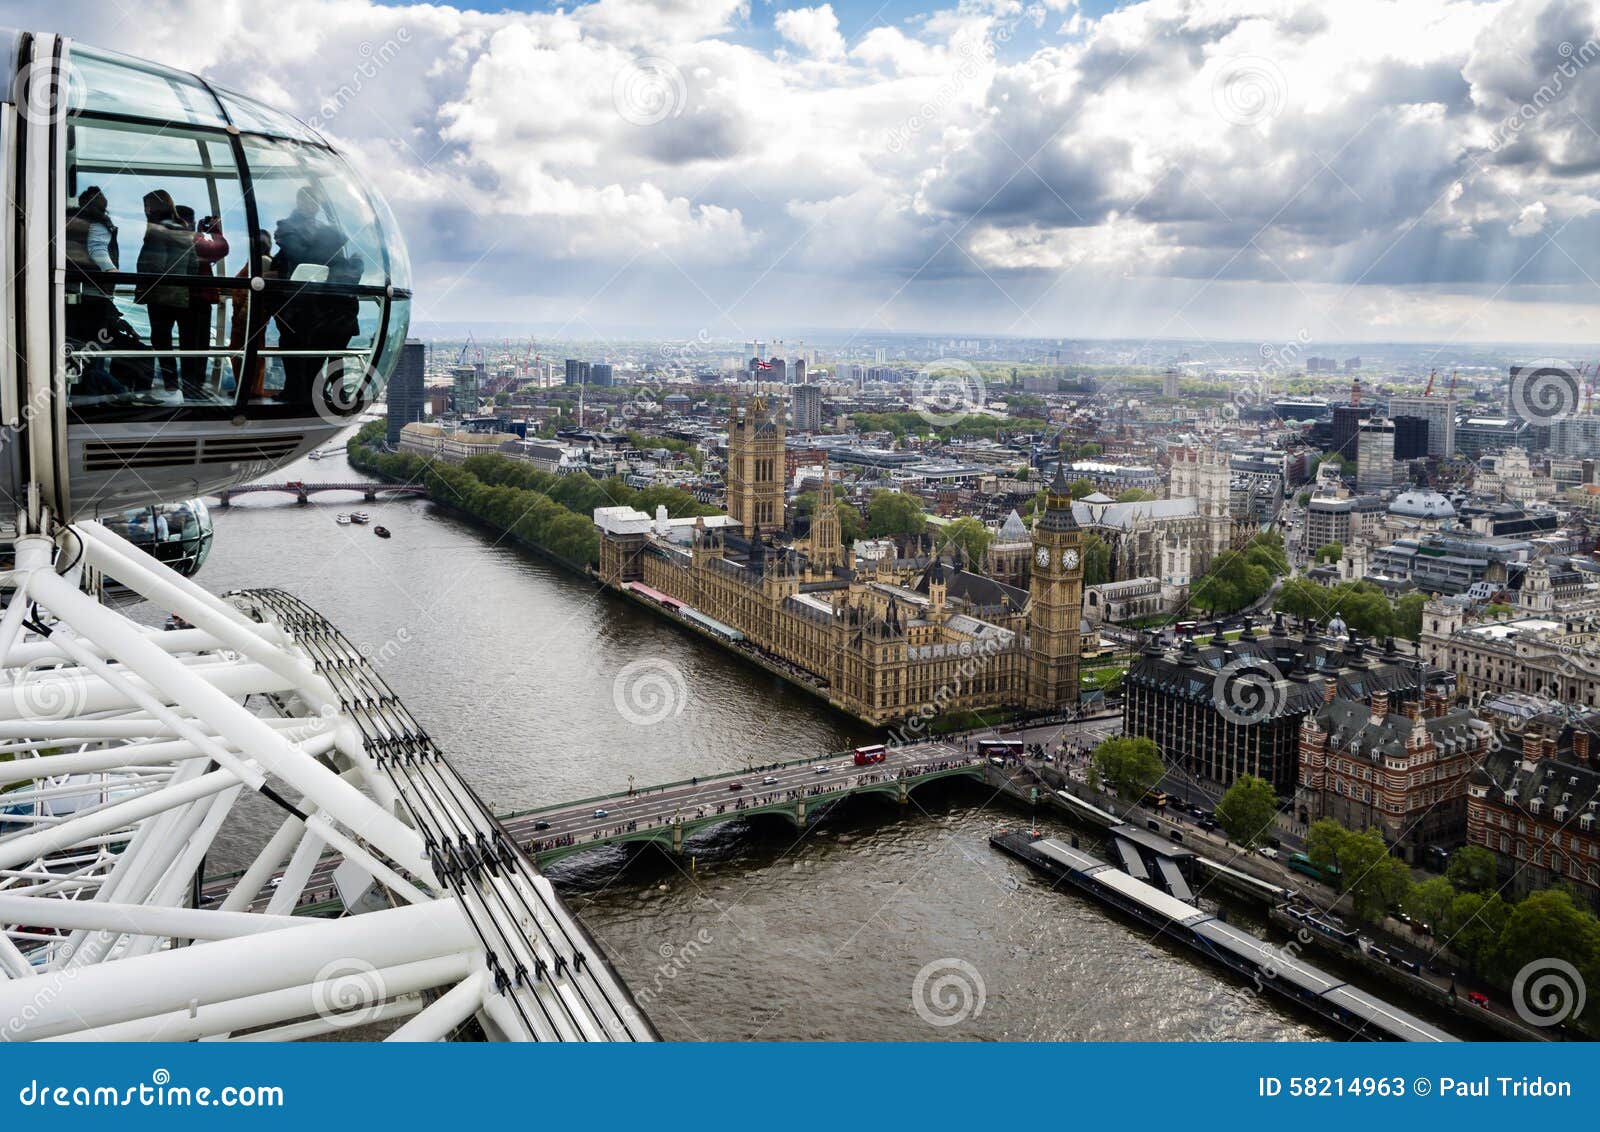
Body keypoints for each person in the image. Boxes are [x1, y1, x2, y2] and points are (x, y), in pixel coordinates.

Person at [135, 190, 197, 395]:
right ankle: (187, 388)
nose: (145, 210)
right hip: (180, 295)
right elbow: (193, 266)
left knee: (161, 340)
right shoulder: (184, 229)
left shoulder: (156, 230)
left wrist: (144, 282)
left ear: (154, 207)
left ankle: (170, 384)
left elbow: (155, 264)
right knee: (185, 341)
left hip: (160, 294)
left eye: (147, 206)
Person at [64, 186, 123, 398]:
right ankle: (105, 395)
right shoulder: (98, 223)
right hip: (95, 295)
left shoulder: (68, 222)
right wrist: (113, 272)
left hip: (71, 293)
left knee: (75, 347)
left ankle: (75, 392)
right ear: (102, 205)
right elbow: (98, 250)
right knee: (93, 350)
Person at [175, 205, 231, 401]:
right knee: (198, 344)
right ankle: (193, 388)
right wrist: (213, 231)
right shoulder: (188, 237)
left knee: (189, 343)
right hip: (197, 297)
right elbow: (221, 249)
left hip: (183, 297)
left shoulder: (174, 235)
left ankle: (188, 386)